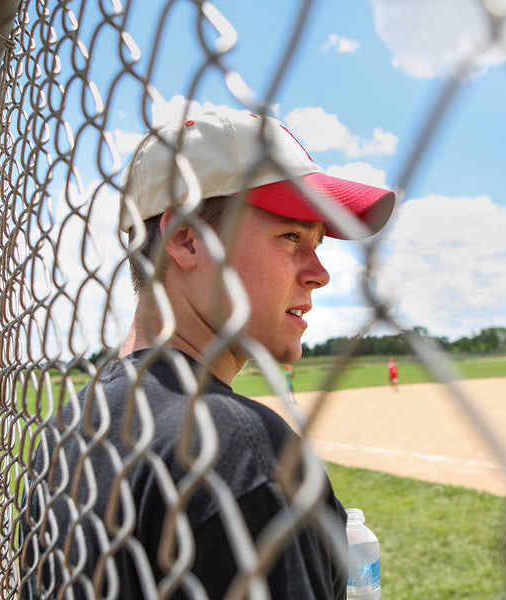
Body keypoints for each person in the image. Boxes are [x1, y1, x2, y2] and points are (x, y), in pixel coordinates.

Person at [20, 107, 395, 599]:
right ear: (187, 240)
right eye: (290, 236)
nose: (319, 272)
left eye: (319, 243)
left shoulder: (72, 425)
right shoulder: (237, 450)